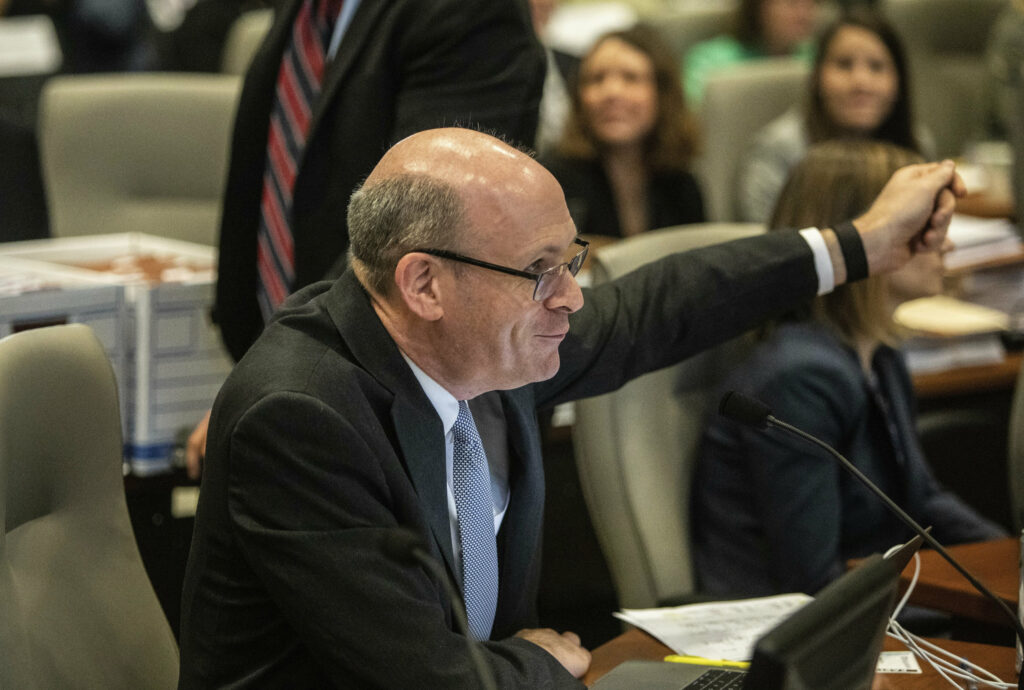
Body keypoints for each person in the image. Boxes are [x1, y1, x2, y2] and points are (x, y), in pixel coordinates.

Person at [178, 126, 963, 687]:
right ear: (424, 284)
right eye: (541, 269)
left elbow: (664, 305)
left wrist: (860, 243)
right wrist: (541, 664)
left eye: (572, 260)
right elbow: (427, 676)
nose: (572, 296)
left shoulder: (490, 341)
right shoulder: (301, 417)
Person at [185, 0, 546, 478]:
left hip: (396, 405)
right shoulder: (312, 11)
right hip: (288, 377)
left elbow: (415, 228)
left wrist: (282, 380)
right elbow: (269, 175)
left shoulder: (469, 12)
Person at [693, 140, 1004, 600]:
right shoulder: (797, 377)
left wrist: (1008, 563)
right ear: (871, 235)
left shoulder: (880, 351)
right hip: (789, 626)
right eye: (926, 226)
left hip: (862, 598)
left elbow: (921, 501)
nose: (948, 243)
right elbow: (814, 581)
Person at [737, 8, 935, 223]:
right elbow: (765, 245)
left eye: (877, 67)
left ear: (899, 82)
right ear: (816, 77)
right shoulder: (779, 150)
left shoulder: (917, 142)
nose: (861, 82)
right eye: (844, 64)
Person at [542, 25, 704, 239]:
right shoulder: (553, 182)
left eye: (631, 78)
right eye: (597, 79)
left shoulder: (682, 184)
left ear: (663, 95)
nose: (611, 92)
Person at [683, 0, 818, 107]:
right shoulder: (709, 60)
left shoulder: (817, 57)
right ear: (758, 7)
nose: (804, 14)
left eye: (810, 3)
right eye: (791, 3)